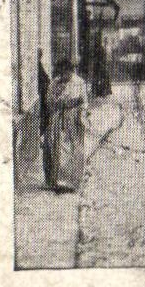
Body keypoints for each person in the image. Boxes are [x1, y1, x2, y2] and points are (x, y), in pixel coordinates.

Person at [44, 58, 89, 194]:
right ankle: (56, 181)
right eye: (61, 73)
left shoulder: (79, 83)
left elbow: (84, 102)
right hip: (57, 120)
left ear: (71, 71)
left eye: (67, 72)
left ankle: (72, 182)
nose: (64, 75)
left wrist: (81, 112)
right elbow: (49, 102)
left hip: (74, 120)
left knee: (74, 149)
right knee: (54, 147)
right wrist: (57, 104)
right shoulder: (54, 83)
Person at [36, 50, 52, 187]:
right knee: (48, 145)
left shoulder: (39, 68)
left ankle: (51, 179)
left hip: (46, 109)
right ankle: (50, 179)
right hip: (43, 108)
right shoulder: (37, 70)